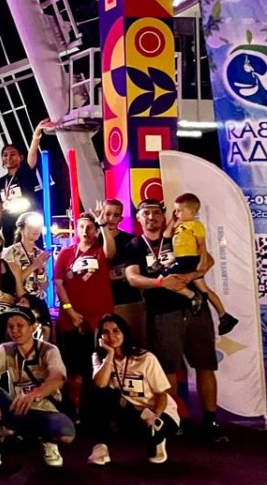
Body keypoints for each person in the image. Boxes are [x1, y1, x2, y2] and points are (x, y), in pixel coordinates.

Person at [121, 199, 226, 441]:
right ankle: (173, 419)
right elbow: (132, 278)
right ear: (139, 218)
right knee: (167, 368)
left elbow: (208, 261)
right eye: (146, 213)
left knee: (205, 365)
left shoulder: (179, 233)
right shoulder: (134, 246)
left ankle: (211, 421)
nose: (151, 217)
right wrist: (160, 282)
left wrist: (188, 276)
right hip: (162, 312)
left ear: (164, 216)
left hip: (195, 309)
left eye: (156, 213)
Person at [0, 305, 75, 470]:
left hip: (45, 410)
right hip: (17, 408)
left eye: (20, 325)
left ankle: (47, 441)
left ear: (33, 327)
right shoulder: (5, 349)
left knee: (65, 434)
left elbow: (57, 378)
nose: (14, 330)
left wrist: (33, 395)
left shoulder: (48, 350)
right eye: (10, 326)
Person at [87, 313, 178, 466]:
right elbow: (100, 384)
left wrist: (155, 416)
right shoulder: (99, 356)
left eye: (116, 331)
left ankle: (158, 440)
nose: (111, 336)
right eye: (105, 332)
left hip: (157, 411)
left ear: (124, 333)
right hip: (130, 410)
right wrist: (110, 355)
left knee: (153, 439)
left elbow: (161, 394)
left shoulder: (145, 357)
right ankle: (100, 447)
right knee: (98, 394)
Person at [52, 212, 114, 419]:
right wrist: (70, 310)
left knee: (96, 367)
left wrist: (103, 225)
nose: (85, 231)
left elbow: (111, 253)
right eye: (81, 227)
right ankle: (73, 411)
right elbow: (59, 284)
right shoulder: (66, 253)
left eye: (90, 227)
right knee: (73, 369)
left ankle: (94, 413)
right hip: (71, 319)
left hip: (99, 319)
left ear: (96, 230)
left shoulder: (101, 250)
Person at [168, 193, 237, 334]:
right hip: (181, 258)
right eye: (175, 210)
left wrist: (203, 261)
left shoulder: (196, 225)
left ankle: (193, 296)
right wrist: (173, 220)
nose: (176, 213)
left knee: (168, 280)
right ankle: (224, 315)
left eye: (180, 210)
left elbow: (202, 245)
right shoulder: (180, 224)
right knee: (204, 288)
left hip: (188, 259)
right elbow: (166, 235)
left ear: (192, 211)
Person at [0, 120, 49, 244]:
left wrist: (37, 133)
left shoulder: (25, 173)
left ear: (21, 157)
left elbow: (32, 153)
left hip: (27, 223)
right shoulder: (0, 182)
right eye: (5, 155)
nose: (8, 158)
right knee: (10, 254)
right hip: (8, 225)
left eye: (13, 154)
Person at [98, 199, 144, 341]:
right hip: (101, 299)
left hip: (127, 298)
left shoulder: (131, 240)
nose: (111, 218)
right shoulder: (94, 240)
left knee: (133, 339)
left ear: (121, 218)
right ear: (101, 214)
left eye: (116, 215)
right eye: (108, 214)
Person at [3, 211, 50, 300]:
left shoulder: (40, 253)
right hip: (18, 300)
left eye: (39, 226)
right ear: (21, 228)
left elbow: (44, 287)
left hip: (38, 300)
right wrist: (33, 266)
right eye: (32, 226)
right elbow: (9, 283)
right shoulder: (10, 252)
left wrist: (41, 273)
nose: (36, 229)